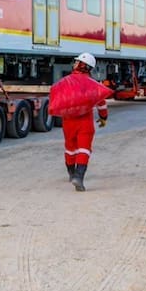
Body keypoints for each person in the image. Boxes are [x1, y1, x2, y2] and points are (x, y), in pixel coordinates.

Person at [59, 52, 109, 192]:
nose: (74, 63)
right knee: (84, 149)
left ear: (81, 65)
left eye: (76, 61)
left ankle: (71, 173)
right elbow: (101, 103)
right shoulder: (92, 84)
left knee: (70, 147)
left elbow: (58, 101)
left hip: (68, 120)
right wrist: (103, 117)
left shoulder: (66, 81)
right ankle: (79, 177)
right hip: (85, 121)